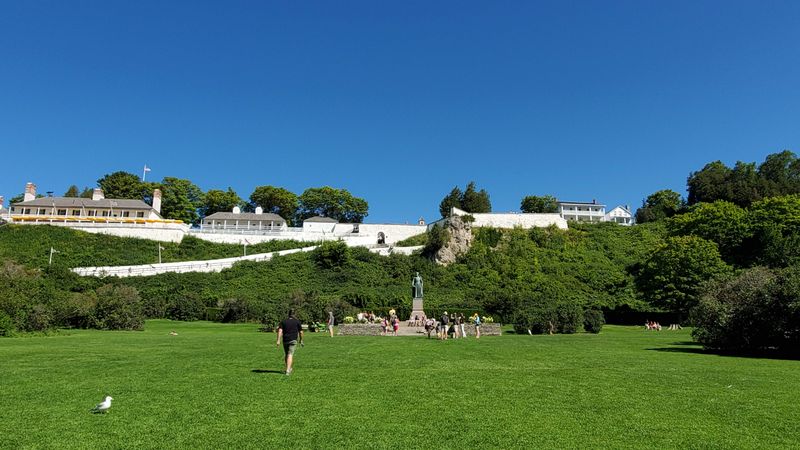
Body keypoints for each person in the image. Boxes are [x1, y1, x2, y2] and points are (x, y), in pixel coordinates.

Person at [276, 309, 304, 375]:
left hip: (285, 340)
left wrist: (278, 340)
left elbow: (280, 331)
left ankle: (288, 368)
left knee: (287, 354)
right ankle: (288, 370)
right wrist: (301, 340)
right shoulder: (297, 322)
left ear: (288, 314)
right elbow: (301, 332)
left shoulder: (283, 321)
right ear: (294, 314)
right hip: (293, 340)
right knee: (290, 354)